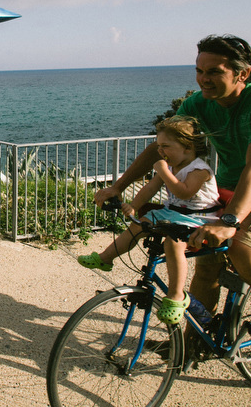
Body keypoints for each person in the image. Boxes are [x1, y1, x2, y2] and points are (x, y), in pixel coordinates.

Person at [95, 35, 251, 351]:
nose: (203, 79)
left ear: (243, 74)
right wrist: (119, 186)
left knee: (241, 250)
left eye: (213, 72)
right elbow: (161, 149)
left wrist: (230, 220)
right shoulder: (199, 104)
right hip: (228, 188)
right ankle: (197, 339)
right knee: (203, 257)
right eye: (199, 70)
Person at [79, 116, 221, 324]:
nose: (160, 151)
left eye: (166, 146)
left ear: (188, 147)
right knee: (140, 224)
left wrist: (163, 172)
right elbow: (150, 188)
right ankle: (106, 257)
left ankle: (176, 296)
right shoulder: (172, 166)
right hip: (173, 213)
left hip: (199, 218)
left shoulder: (199, 170)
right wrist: (134, 206)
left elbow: (183, 192)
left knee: (174, 244)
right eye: (159, 146)